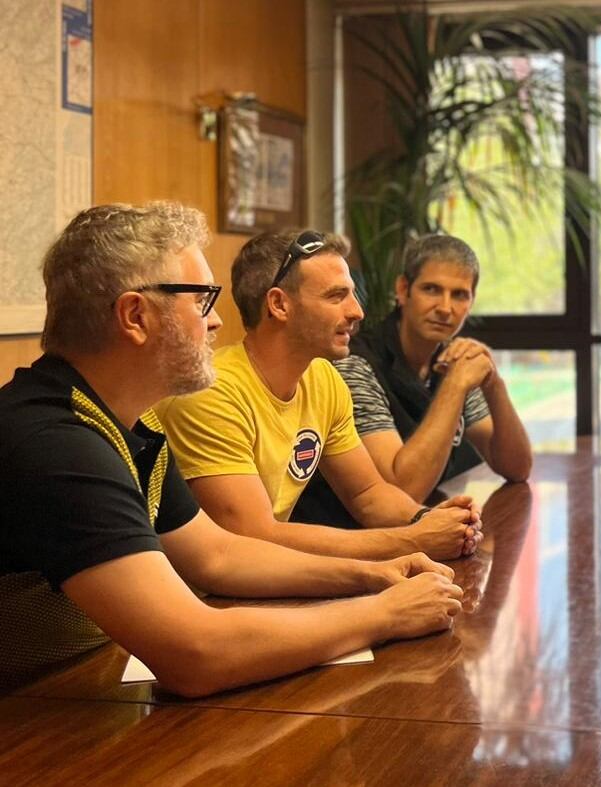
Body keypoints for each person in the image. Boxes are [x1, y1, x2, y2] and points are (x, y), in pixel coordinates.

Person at [0, 203, 464, 695]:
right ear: (135, 316)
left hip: (77, 688)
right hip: (28, 715)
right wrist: (385, 614)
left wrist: (372, 576)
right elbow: (195, 654)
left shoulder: (132, 422)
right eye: (202, 300)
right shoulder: (56, 442)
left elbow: (217, 555)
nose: (217, 322)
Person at [155, 229, 481, 562]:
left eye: (352, 294)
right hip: (194, 587)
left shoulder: (323, 378)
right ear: (279, 305)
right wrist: (413, 540)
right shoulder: (211, 392)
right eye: (337, 296)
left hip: (267, 575)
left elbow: (368, 494)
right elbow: (253, 535)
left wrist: (429, 519)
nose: (357, 312)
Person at [293, 234, 532, 525]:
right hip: (343, 537)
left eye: (459, 295)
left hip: (418, 527)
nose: (445, 308)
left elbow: (517, 468)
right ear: (403, 290)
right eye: (432, 290)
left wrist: (493, 384)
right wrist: (455, 386)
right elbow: (402, 491)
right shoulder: (355, 364)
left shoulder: (453, 358)